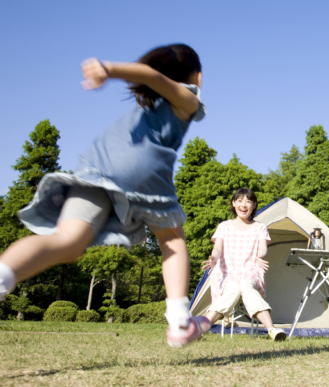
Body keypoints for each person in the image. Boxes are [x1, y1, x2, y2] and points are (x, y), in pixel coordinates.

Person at [0, 44, 211, 347]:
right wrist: (109, 68)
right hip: (141, 171)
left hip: (95, 167)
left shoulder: (145, 106)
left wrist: (114, 72)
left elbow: (152, 78)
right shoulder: (186, 100)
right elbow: (154, 77)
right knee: (172, 239)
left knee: (68, 243)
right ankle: (180, 323)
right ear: (198, 77)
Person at [201, 188, 286, 341]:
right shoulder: (224, 226)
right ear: (234, 204)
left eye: (248, 201)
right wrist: (214, 258)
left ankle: (272, 330)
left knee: (246, 286)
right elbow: (218, 247)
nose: (244, 204)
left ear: (254, 205)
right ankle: (201, 330)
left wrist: (260, 257)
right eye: (240, 200)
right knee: (233, 289)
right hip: (227, 272)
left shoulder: (260, 227)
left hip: (251, 269)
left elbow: (262, 248)